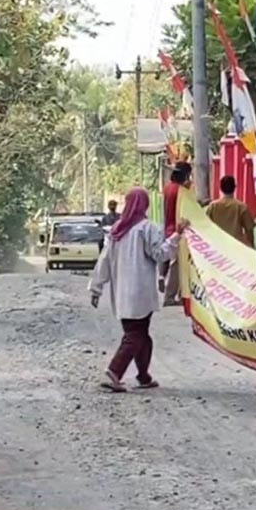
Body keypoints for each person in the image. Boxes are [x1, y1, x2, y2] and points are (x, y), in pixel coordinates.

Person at [89, 187, 188, 393]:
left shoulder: (117, 230)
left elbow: (104, 262)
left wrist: (96, 288)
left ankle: (144, 376)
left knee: (141, 334)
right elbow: (160, 254)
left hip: (122, 292)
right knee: (135, 334)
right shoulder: (147, 228)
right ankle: (114, 372)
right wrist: (177, 235)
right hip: (140, 291)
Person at [161, 162, 192, 305]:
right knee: (176, 265)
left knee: (178, 263)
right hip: (178, 230)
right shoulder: (180, 191)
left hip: (168, 228)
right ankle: (170, 296)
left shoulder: (167, 188)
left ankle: (178, 294)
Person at [207, 175, 256, 247]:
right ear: (234, 187)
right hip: (236, 246)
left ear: (221, 188)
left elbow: (205, 225)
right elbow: (249, 230)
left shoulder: (213, 206)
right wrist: (251, 246)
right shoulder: (241, 207)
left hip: (217, 245)